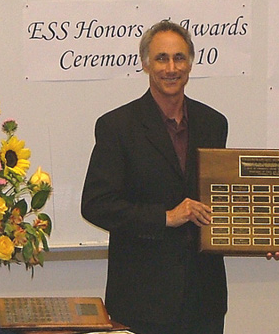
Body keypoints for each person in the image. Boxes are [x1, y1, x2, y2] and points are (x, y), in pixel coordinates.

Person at [81, 20, 228, 334]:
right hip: (140, 301)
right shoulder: (117, 126)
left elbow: (221, 198)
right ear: (145, 64)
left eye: (179, 58)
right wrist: (166, 217)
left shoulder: (214, 123)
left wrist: (268, 233)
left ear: (190, 63)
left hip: (204, 301)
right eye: (162, 58)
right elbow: (96, 205)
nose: (171, 68)